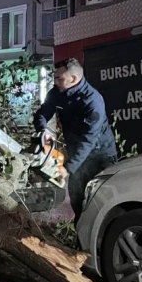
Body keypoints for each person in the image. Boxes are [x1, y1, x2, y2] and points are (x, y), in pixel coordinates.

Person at [33, 58, 117, 224]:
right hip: (76, 153)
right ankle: (82, 237)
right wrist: (44, 130)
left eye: (60, 78)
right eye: (55, 77)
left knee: (103, 202)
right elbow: (42, 114)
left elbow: (88, 140)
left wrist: (68, 168)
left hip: (100, 157)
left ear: (74, 79)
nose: (55, 81)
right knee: (77, 198)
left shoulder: (92, 101)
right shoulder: (57, 93)